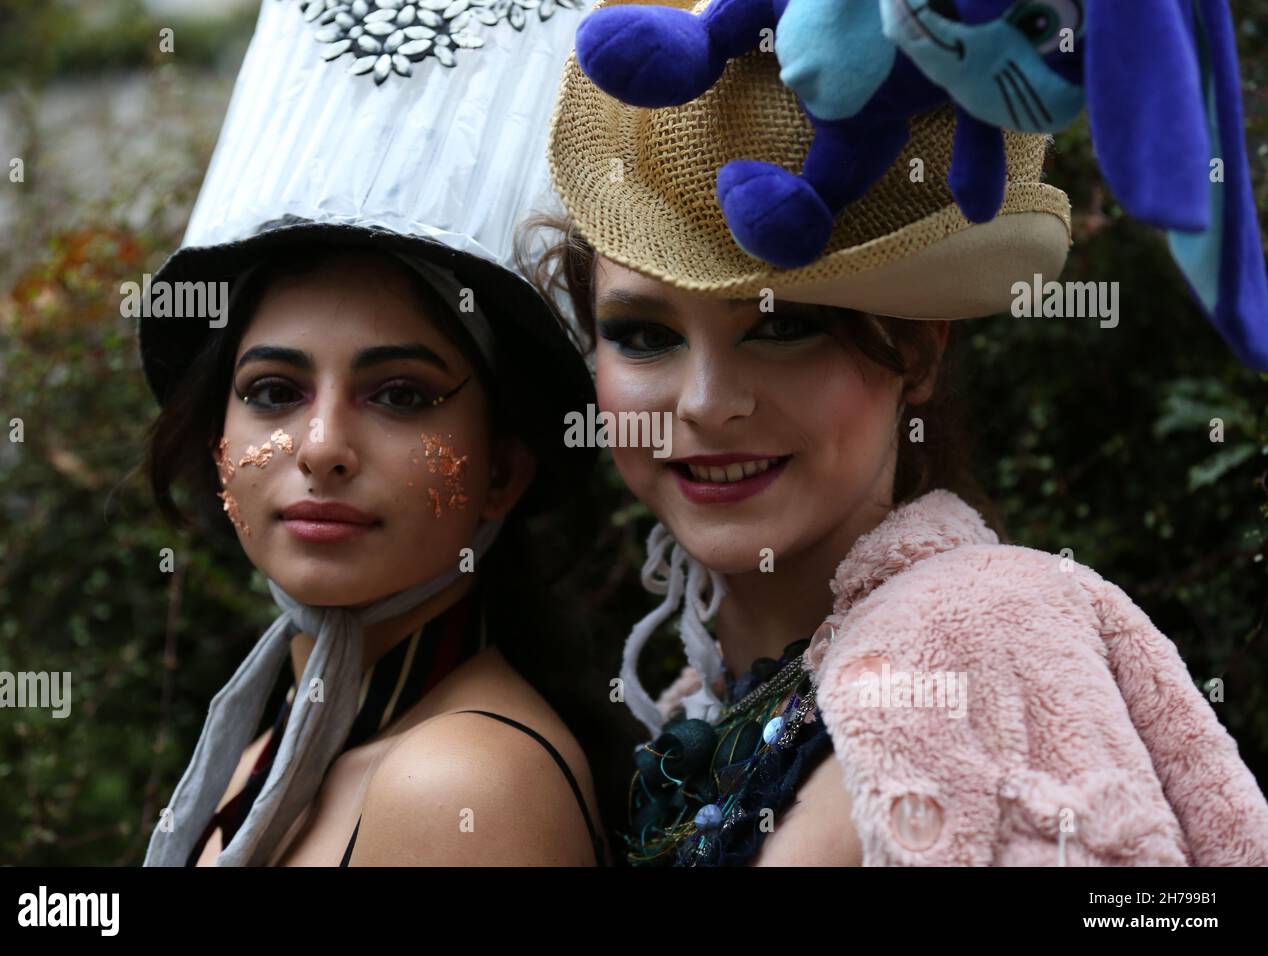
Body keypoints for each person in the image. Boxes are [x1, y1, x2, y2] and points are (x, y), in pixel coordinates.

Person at [523, 0, 1268, 865]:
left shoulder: (976, 638)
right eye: (644, 335)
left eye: (782, 327)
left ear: (916, 355)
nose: (705, 402)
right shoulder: (711, 695)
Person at [138, 0, 609, 866]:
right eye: (273, 391)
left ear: (504, 467)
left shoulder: (465, 785)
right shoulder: (268, 752)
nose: (321, 446)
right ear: (217, 446)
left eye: (399, 395)